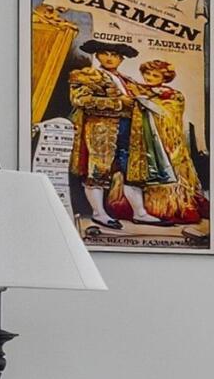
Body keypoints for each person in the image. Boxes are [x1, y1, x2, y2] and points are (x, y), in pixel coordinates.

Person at [64, 40, 139, 234]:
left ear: (121, 59)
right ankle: (99, 212)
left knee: (129, 170)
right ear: (97, 56)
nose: (109, 58)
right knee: (97, 170)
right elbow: (80, 100)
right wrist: (118, 103)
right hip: (100, 128)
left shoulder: (128, 80)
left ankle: (139, 212)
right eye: (104, 53)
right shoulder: (87, 76)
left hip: (127, 128)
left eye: (114, 55)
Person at [124, 55, 205, 225]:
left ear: (164, 78)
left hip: (165, 143)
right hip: (141, 141)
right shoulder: (138, 89)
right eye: (147, 74)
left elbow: (167, 114)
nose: (149, 78)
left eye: (155, 76)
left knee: (169, 174)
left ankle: (169, 208)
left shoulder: (174, 95)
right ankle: (148, 210)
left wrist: (142, 98)